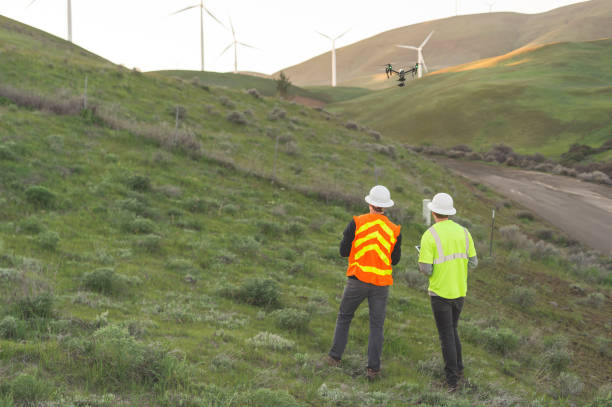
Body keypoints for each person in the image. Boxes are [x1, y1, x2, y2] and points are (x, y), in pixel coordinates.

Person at [326, 185, 402, 380]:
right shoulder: (394, 230)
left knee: (344, 317)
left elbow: (343, 251)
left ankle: (334, 358)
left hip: (357, 280)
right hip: (381, 285)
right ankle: (373, 370)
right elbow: (395, 260)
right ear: (385, 207)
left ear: (370, 203)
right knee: (376, 326)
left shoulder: (357, 222)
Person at [417, 192, 478, 392]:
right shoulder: (464, 232)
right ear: (450, 213)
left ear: (433, 211)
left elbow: (426, 269)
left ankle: (451, 380)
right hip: (460, 291)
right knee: (452, 330)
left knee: (446, 335)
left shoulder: (430, 235)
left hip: (440, 292)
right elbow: (473, 262)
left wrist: (434, 268)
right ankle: (458, 368)